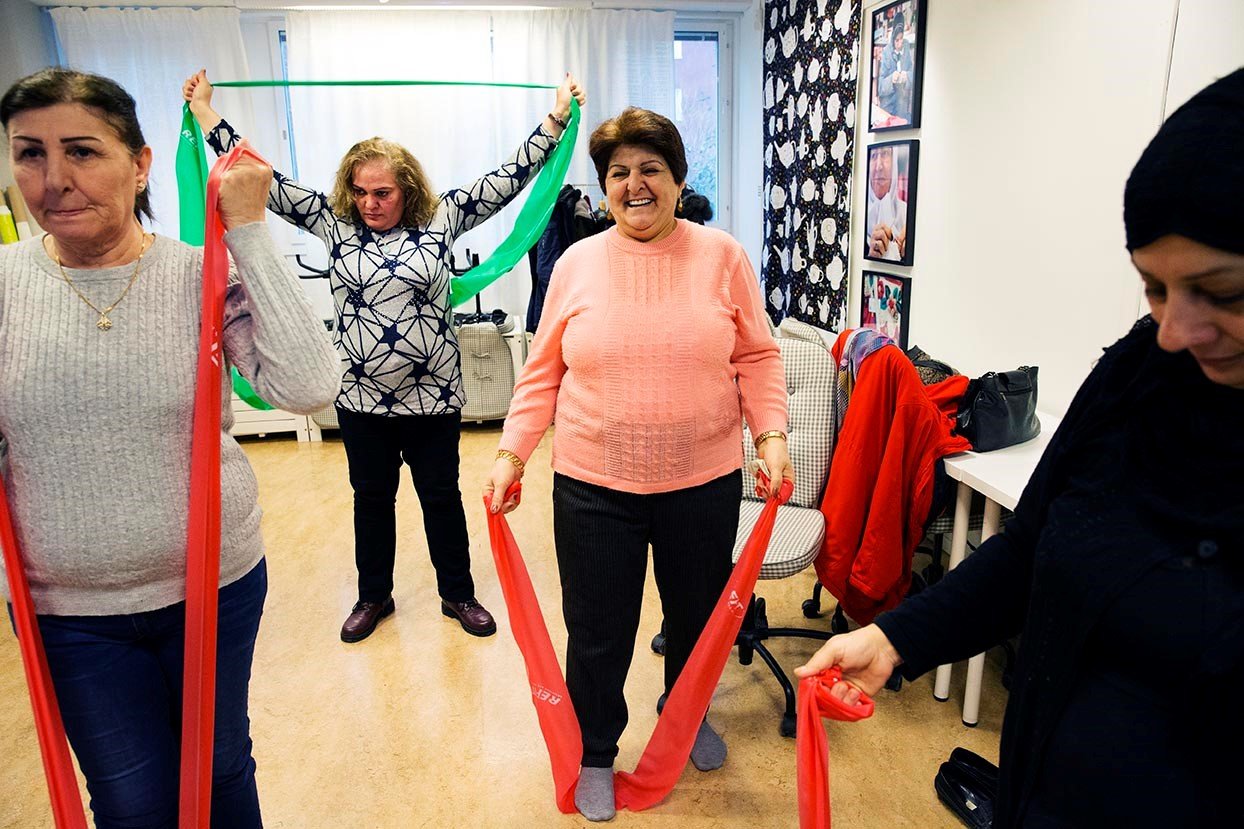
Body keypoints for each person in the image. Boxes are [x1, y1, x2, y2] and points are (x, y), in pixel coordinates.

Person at [797, 68, 1244, 828]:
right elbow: (1029, 548)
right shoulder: (1136, 376)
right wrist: (896, 637)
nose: (1175, 331)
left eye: (1222, 293)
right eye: (1154, 288)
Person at [0, 68, 340, 827]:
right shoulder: (5, 283)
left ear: (141, 164)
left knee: (220, 769)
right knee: (133, 800)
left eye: (82, 150)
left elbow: (310, 385)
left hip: (214, 587)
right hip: (69, 609)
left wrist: (248, 231)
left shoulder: (199, 274)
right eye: (29, 153)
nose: (54, 179)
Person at [183, 70, 586, 643]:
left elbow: (509, 177)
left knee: (441, 498)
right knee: (371, 501)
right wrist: (205, 113)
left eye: (383, 193)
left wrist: (557, 118)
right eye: (360, 192)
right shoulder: (331, 221)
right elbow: (258, 176)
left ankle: (458, 593)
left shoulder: (443, 216)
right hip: (360, 398)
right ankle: (373, 596)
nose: (369, 204)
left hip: (433, 397)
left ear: (407, 190)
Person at [483, 107, 794, 822]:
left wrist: (771, 434)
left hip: (702, 482)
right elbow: (542, 371)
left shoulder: (722, 256)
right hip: (594, 486)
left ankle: (686, 716)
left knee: (695, 619)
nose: (635, 185)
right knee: (598, 630)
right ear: (605, 187)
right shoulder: (575, 264)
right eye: (619, 173)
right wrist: (511, 453)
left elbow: (757, 356)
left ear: (679, 180)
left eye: (651, 169)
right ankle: (596, 750)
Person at [865, 145, 907, 261]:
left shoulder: (907, 214)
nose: (879, 166)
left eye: (885, 154)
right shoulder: (856, 216)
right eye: (874, 156)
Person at [876, 12, 914, 123]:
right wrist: (891, 79)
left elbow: (915, 76)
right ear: (893, 39)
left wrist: (907, 76)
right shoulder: (886, 52)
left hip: (902, 106)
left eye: (901, 39)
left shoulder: (906, 47)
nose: (900, 43)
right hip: (888, 107)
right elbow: (880, 88)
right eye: (897, 40)